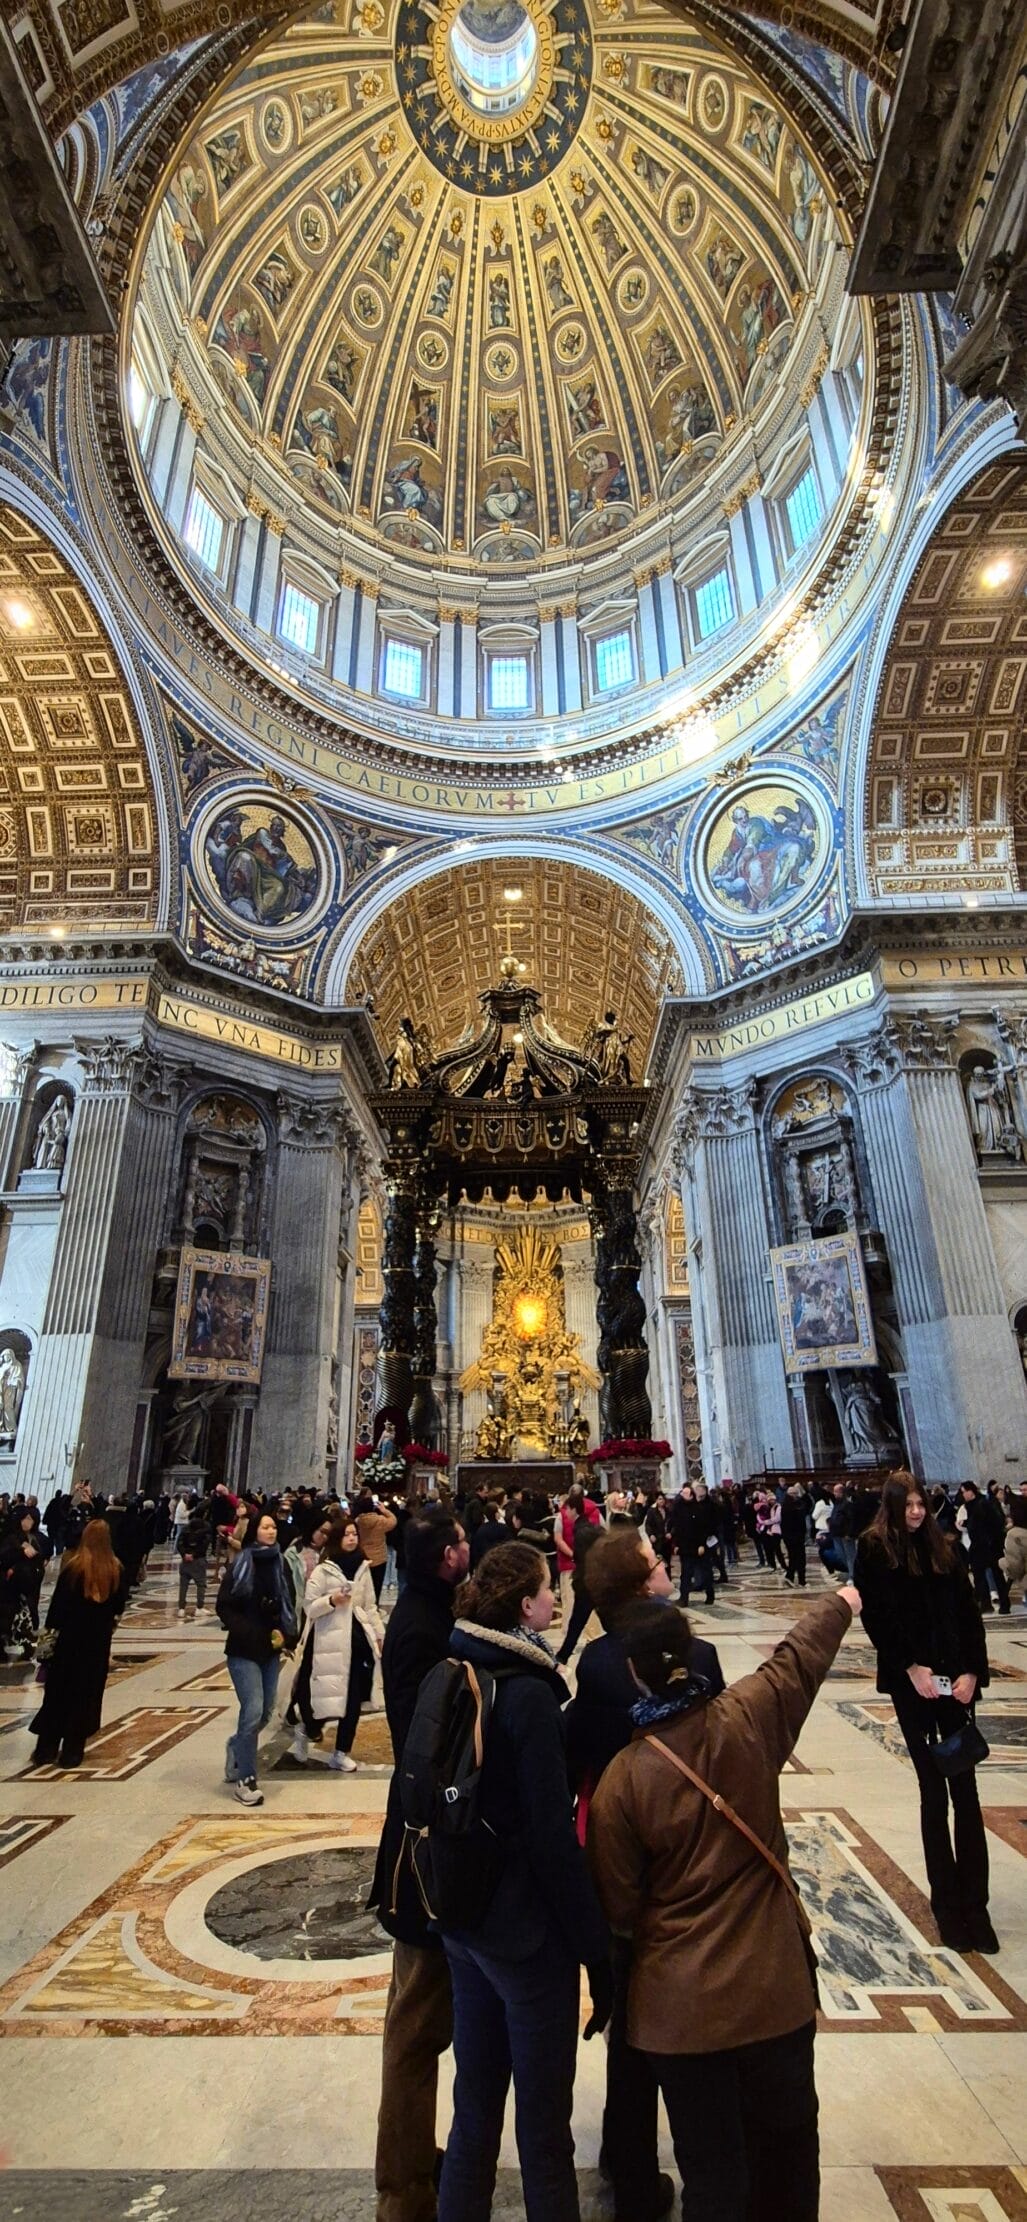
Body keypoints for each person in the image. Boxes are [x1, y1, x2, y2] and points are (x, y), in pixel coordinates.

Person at [588, 1583, 860, 2222]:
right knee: (789, 2154)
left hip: (680, 2012)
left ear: (634, 1675)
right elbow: (798, 1658)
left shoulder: (623, 1781)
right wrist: (843, 1601)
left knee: (711, 2172)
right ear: (692, 1656)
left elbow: (619, 1907)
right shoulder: (750, 1717)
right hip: (773, 1990)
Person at [437, 1543, 611, 2222]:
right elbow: (550, 1838)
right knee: (543, 2126)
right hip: (522, 1933)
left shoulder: (456, 1663)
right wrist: (594, 1949)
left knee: (474, 2107)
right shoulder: (530, 1693)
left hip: (462, 1917)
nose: (556, 1597)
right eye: (547, 1588)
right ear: (523, 1607)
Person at [568, 1525, 725, 2222]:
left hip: (618, 1861)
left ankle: (627, 2167)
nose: (666, 1566)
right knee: (697, 2019)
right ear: (640, 1583)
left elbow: (579, 1758)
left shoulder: (595, 1664)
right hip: (690, 1858)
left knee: (628, 2018)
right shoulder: (701, 1657)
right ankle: (708, 2170)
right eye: (656, 1561)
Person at [369, 1509, 470, 2222]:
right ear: (444, 1558)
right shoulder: (418, 1628)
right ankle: (402, 2190)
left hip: (435, 1840)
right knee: (414, 2025)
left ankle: (419, 2160)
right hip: (422, 1845)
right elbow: (421, 1742)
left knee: (428, 2014)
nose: (470, 1547)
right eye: (461, 1541)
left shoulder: (433, 1611)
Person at [857, 1475, 995, 1951]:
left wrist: (973, 1672)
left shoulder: (944, 1547)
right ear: (892, 1507)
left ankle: (976, 1905)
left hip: (956, 1681)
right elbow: (877, 1618)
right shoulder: (874, 1549)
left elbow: (968, 1614)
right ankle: (947, 1906)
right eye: (908, 1505)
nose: (916, 1512)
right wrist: (911, 1667)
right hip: (911, 1683)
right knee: (933, 1791)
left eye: (920, 1504)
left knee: (967, 1791)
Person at [29, 1519, 127, 1767]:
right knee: (85, 1696)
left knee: (58, 1695)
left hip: (67, 1644)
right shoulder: (116, 1571)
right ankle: (73, 1752)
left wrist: (45, 1645)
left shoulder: (73, 1569)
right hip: (96, 1646)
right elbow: (118, 1609)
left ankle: (46, 1749)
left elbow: (56, 1611)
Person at [217, 1511, 297, 1808]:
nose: (271, 1531)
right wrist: (247, 1629)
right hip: (243, 1648)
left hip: (269, 1649)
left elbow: (289, 1600)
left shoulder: (280, 1563)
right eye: (265, 1527)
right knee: (251, 1711)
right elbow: (224, 1606)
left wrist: (287, 1634)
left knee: (265, 1712)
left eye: (274, 1526)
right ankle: (246, 1779)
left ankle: (238, 1746)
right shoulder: (241, 1563)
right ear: (254, 1531)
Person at [302, 1518, 385, 1770]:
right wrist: (331, 1600)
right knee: (327, 1696)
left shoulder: (363, 1567)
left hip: (357, 1641)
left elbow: (369, 1605)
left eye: (354, 1534)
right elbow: (309, 1606)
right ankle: (307, 1728)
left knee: (353, 1699)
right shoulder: (323, 1570)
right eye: (347, 1534)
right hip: (329, 1641)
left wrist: (380, 1634)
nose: (351, 1538)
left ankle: (341, 1751)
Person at [958, 1481, 1011, 1615]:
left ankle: (994, 1603)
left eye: (964, 1491)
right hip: (985, 1545)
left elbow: (987, 1523)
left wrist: (987, 1539)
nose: (963, 1495)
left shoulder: (981, 1504)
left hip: (986, 1545)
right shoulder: (979, 1504)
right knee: (989, 1575)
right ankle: (994, 1603)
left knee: (990, 1575)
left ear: (971, 1491)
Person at [354, 1487, 398, 1602]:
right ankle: (375, 1605)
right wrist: (384, 1510)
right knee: (376, 1586)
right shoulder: (380, 1521)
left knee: (363, 1587)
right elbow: (393, 1520)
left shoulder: (358, 1521)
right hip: (379, 1558)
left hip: (364, 1556)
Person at [176, 1499, 210, 1619]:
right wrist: (194, 1555)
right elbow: (204, 1545)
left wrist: (185, 1554)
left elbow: (179, 1543)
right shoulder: (206, 1528)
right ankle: (199, 1608)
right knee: (201, 1584)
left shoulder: (186, 1527)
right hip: (198, 1560)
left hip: (185, 1560)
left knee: (183, 1585)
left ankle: (181, 1609)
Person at [781, 1482, 811, 1587]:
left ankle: (791, 1577)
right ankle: (799, 1580)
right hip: (793, 1536)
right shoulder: (788, 1506)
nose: (795, 1495)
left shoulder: (795, 1504)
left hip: (796, 1535)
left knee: (796, 1558)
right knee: (798, 1558)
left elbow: (806, 1506)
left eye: (796, 1493)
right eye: (793, 1493)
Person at [469, 1494, 506, 1569]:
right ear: (496, 1514)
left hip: (483, 1563)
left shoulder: (480, 1530)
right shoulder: (504, 1528)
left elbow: (475, 1550)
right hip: (499, 1563)